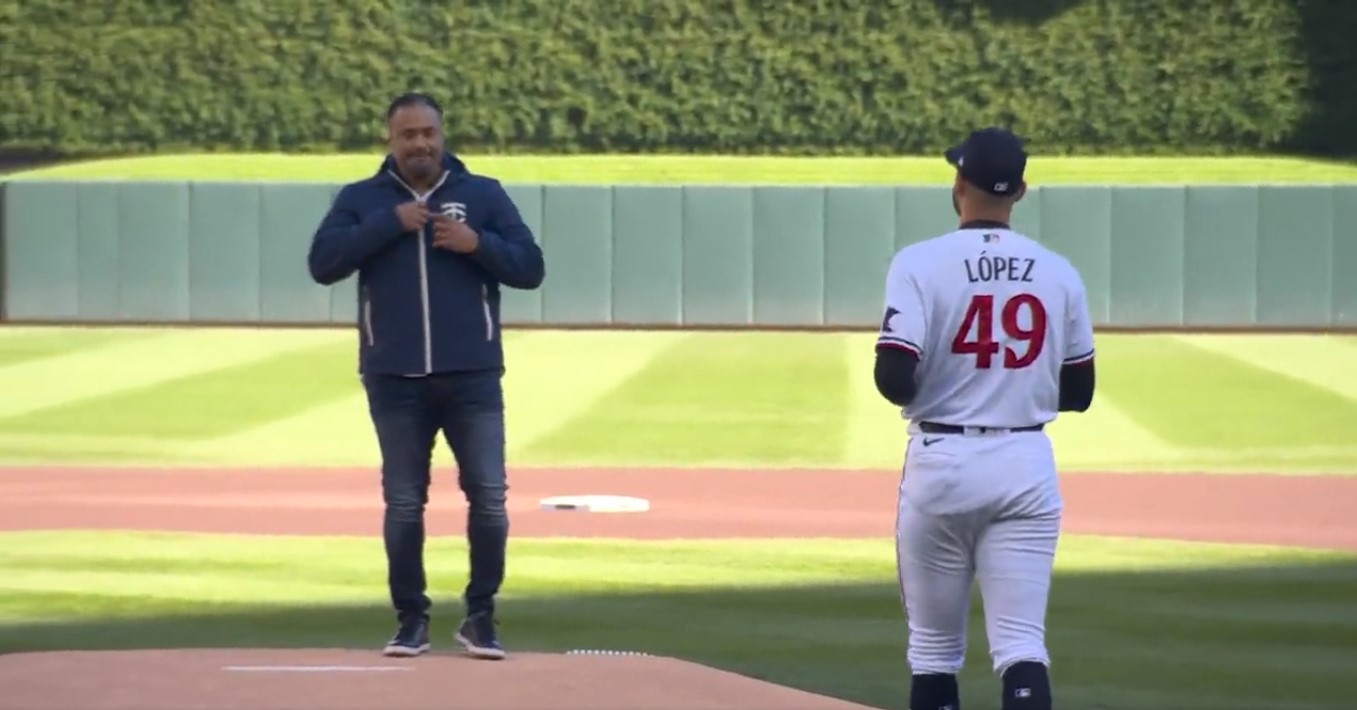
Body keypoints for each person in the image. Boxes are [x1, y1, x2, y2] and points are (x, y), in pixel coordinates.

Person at [306, 92, 546, 661]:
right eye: (408, 134)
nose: (420, 144)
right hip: (394, 376)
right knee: (405, 502)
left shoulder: (481, 195)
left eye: (428, 133)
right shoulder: (362, 200)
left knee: (489, 498)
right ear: (390, 139)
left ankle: (481, 618)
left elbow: (530, 268)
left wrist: (476, 243)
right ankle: (410, 620)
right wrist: (389, 224)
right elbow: (322, 264)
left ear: (443, 135)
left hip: (473, 374)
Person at [873, 127, 1096, 710]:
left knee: (934, 650)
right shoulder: (1058, 271)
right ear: (1020, 192)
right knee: (1022, 646)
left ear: (959, 183)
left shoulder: (919, 263)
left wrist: (952, 382)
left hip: (942, 463)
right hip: (1025, 465)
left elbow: (893, 379)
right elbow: (1079, 391)